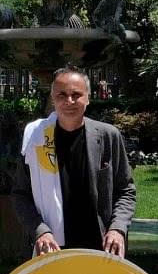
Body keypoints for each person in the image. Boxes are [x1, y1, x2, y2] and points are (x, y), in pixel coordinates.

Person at [14, 67, 136, 257]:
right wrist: (40, 231)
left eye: (76, 94)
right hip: (51, 246)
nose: (69, 101)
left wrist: (117, 228)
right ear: (53, 98)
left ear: (87, 97)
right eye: (62, 95)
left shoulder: (108, 136)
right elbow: (21, 195)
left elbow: (126, 190)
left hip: (101, 246)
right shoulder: (34, 139)